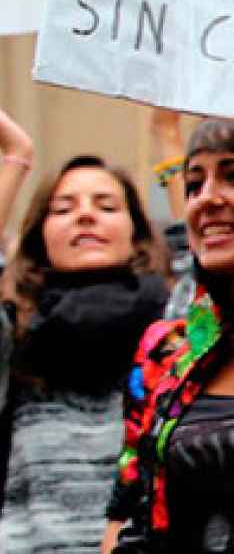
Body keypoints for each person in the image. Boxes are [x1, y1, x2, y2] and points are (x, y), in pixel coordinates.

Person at [0, 71, 169, 554]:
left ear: (136, 234)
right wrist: (15, 161)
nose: (85, 215)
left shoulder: (173, 330)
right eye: (64, 208)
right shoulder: (13, 337)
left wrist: (168, 137)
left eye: (105, 205)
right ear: (41, 238)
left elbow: (198, 254)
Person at [108, 118, 234, 552]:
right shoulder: (167, 351)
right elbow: (128, 518)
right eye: (195, 184)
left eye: (232, 176)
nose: (207, 199)